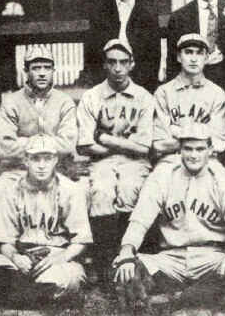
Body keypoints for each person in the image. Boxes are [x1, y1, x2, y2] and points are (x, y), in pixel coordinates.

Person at [112, 123, 225, 312]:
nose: (193, 155)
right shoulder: (163, 175)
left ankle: (175, 300)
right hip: (170, 259)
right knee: (124, 266)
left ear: (210, 150)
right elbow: (139, 221)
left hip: (211, 259)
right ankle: (204, 296)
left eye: (200, 149)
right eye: (188, 149)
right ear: (179, 150)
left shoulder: (223, 180)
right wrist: (126, 250)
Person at [0, 135, 91, 306]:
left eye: (47, 159)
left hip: (54, 258)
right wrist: (15, 257)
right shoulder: (11, 190)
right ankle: (33, 293)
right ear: (26, 160)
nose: (41, 165)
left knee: (71, 277)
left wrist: (61, 258)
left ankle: (16, 293)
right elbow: (5, 241)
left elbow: (81, 241)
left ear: (55, 160)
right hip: (22, 258)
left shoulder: (71, 190)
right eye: (35, 159)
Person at [76, 38, 154, 284]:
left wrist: (107, 139)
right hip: (101, 161)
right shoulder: (92, 96)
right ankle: (105, 261)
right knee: (101, 190)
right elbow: (85, 144)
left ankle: (131, 259)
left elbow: (144, 147)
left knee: (131, 187)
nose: (118, 68)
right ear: (104, 65)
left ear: (132, 64)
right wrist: (120, 146)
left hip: (134, 161)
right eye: (112, 62)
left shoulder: (143, 97)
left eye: (123, 62)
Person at [0, 46, 78, 219]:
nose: (42, 73)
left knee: (76, 199)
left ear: (53, 70)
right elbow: (6, 148)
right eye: (36, 68)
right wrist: (48, 143)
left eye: (47, 68)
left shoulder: (65, 102)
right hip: (18, 171)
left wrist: (24, 142)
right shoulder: (11, 102)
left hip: (57, 171)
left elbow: (67, 144)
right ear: (26, 71)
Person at [83, 0, 160, 93]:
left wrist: (145, 91)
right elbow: (92, 54)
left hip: (138, 82)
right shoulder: (100, 11)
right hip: (106, 83)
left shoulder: (147, 13)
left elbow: (153, 58)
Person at [152, 33, 225, 167]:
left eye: (199, 53)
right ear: (179, 57)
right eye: (188, 52)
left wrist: (176, 131)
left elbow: (219, 143)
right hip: (171, 160)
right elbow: (159, 143)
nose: (193, 59)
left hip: (207, 161)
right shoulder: (163, 92)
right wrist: (202, 133)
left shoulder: (217, 93)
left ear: (206, 58)